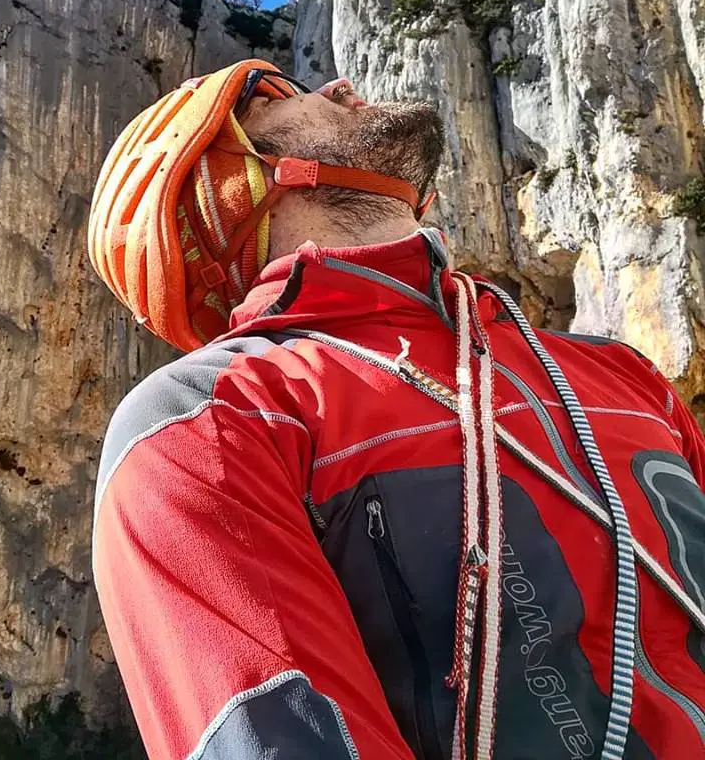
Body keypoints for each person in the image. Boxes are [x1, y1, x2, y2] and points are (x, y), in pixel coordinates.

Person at [87, 60, 705, 759]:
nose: (339, 87)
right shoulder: (211, 420)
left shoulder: (615, 370)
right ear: (225, 187)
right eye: (270, 100)